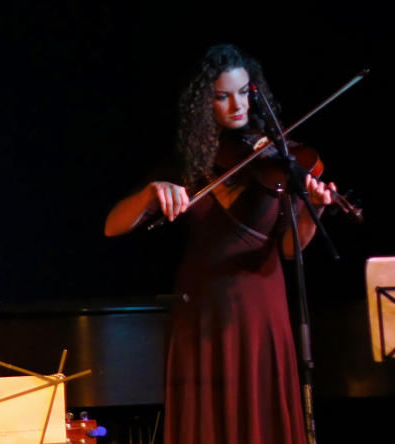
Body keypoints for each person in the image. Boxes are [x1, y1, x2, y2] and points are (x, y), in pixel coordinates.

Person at [104, 45, 336, 444]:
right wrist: (149, 194)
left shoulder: (282, 158)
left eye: (245, 92)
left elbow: (287, 248)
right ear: (203, 103)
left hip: (262, 306)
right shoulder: (187, 162)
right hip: (202, 306)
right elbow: (112, 227)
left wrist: (312, 209)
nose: (237, 105)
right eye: (222, 96)